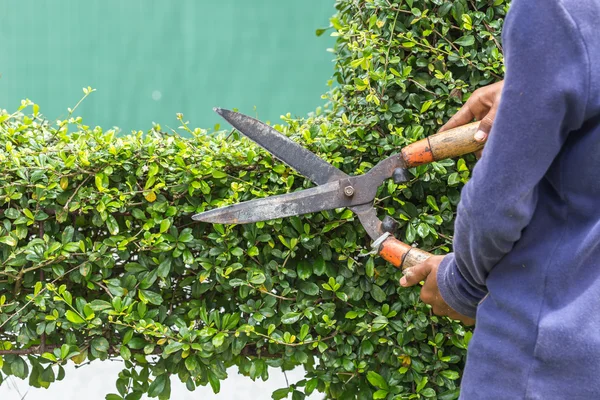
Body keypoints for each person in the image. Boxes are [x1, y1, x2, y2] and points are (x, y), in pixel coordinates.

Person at [398, 0, 600, 398]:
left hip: (547, 366)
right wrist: (535, 85)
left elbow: (496, 205)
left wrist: (461, 281)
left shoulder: (554, 8)